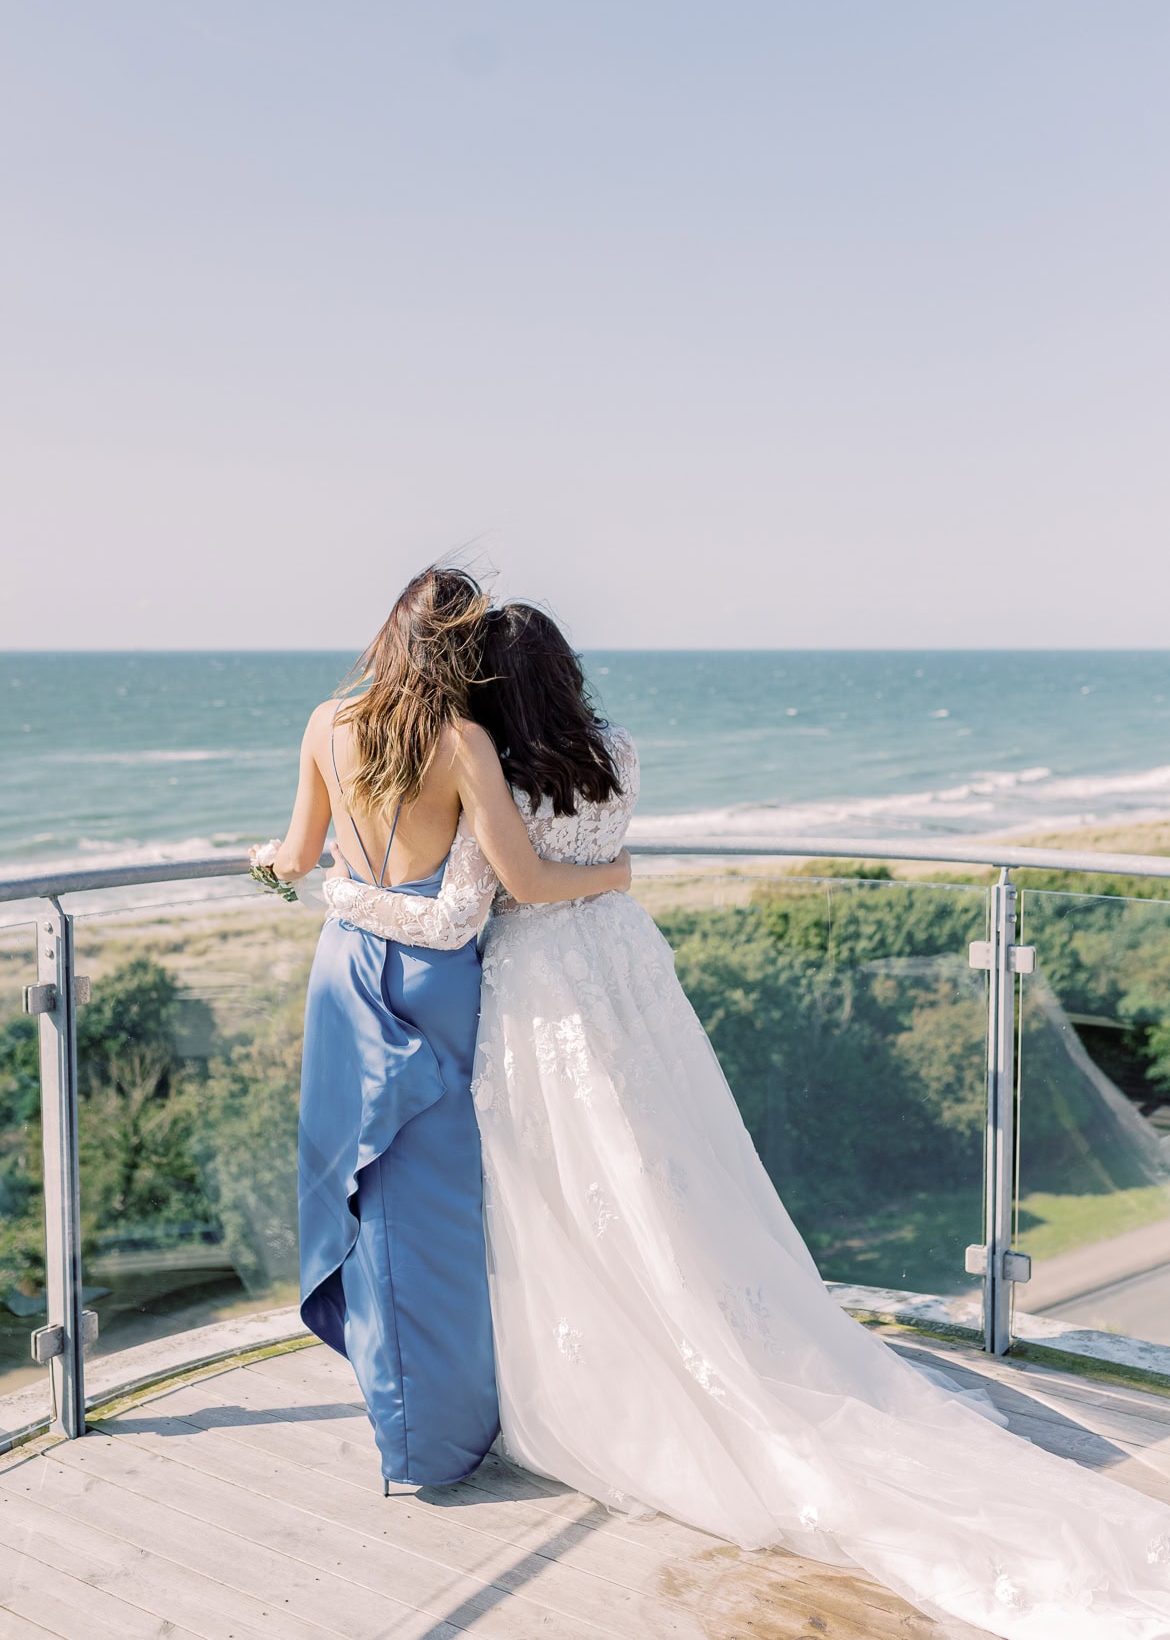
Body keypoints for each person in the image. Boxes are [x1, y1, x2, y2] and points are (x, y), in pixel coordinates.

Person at [324, 599, 1170, 1640]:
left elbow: (505, 890)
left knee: (559, 1186)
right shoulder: (616, 750)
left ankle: (615, 1377)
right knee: (666, 1163)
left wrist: (344, 890)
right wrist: (614, 875)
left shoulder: (490, 764)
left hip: (540, 987)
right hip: (623, 963)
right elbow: (595, 858)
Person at [249, 570, 628, 1493]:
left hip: (345, 969)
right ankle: (444, 1434)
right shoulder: (463, 743)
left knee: (361, 1189)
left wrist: (266, 865)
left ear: (389, 634)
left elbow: (294, 858)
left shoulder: (325, 723)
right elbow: (523, 881)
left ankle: (403, 1422)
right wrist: (615, 875)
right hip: (434, 980)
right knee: (439, 1208)